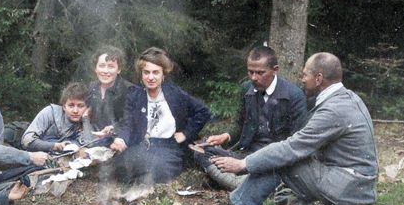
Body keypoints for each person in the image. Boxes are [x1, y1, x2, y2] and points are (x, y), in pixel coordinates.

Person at [203, 52, 378, 205]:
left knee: (283, 158)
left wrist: (244, 164)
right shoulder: (346, 98)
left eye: (304, 75)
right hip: (357, 186)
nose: (301, 80)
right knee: (280, 157)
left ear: (318, 78)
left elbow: (292, 148)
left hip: (351, 188)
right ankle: (310, 204)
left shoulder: (333, 110)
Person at [193, 46, 307, 190]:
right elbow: (239, 125)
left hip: (275, 161)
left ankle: (241, 184)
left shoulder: (294, 95)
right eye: (250, 72)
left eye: (260, 73)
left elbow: (297, 142)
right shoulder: (246, 88)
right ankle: (246, 184)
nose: (254, 77)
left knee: (274, 172)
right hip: (246, 155)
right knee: (201, 151)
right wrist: (225, 136)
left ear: (275, 70)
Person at [110, 47, 211, 184]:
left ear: (163, 74)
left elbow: (203, 112)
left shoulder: (175, 94)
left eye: (155, 72)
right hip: (143, 145)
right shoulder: (135, 95)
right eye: (146, 72)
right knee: (119, 167)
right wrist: (120, 140)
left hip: (168, 147)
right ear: (141, 75)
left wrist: (186, 133)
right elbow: (128, 124)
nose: (150, 77)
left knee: (157, 171)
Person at [21, 82, 92, 152]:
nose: (75, 111)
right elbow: (27, 140)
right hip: (36, 156)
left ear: (87, 107)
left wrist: (85, 118)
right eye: (71, 105)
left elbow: (89, 145)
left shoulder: (84, 122)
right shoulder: (49, 113)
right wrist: (55, 146)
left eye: (80, 106)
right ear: (64, 106)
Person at [85, 46, 135, 136]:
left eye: (111, 66)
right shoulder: (91, 88)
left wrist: (114, 128)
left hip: (120, 141)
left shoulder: (130, 91)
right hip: (93, 139)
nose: (105, 71)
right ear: (95, 69)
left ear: (119, 69)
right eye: (102, 66)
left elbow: (133, 121)